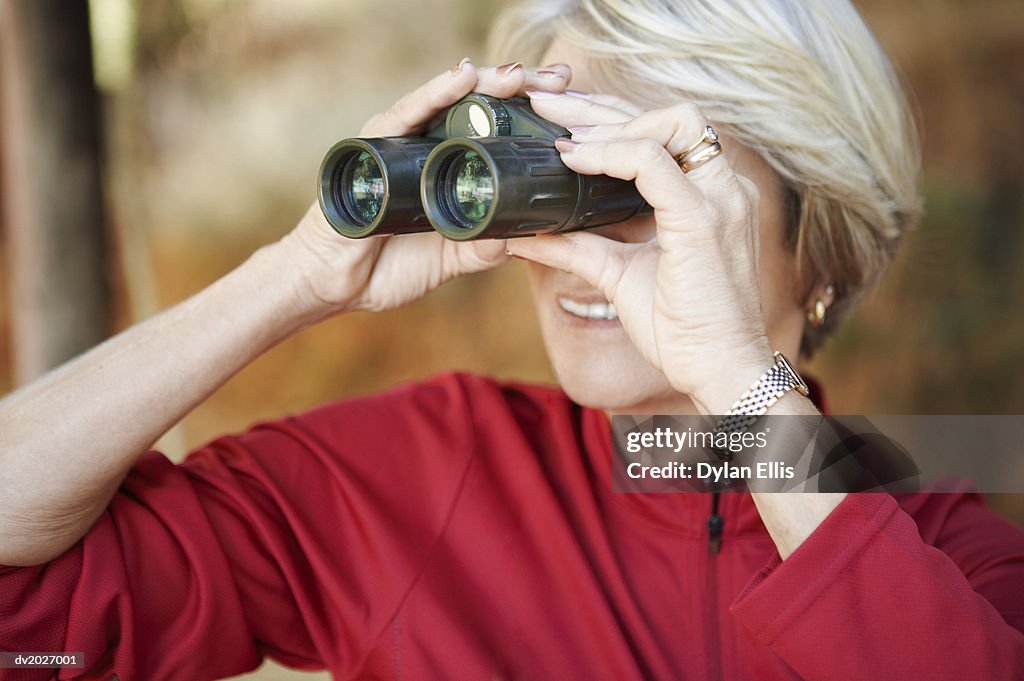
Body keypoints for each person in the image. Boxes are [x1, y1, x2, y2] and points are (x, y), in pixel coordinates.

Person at [2, 0, 1023, 679]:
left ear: (824, 254)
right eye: (564, 166)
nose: (589, 229)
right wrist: (294, 279)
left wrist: (746, 401)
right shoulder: (417, 478)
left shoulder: (951, 558)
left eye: (659, 173)